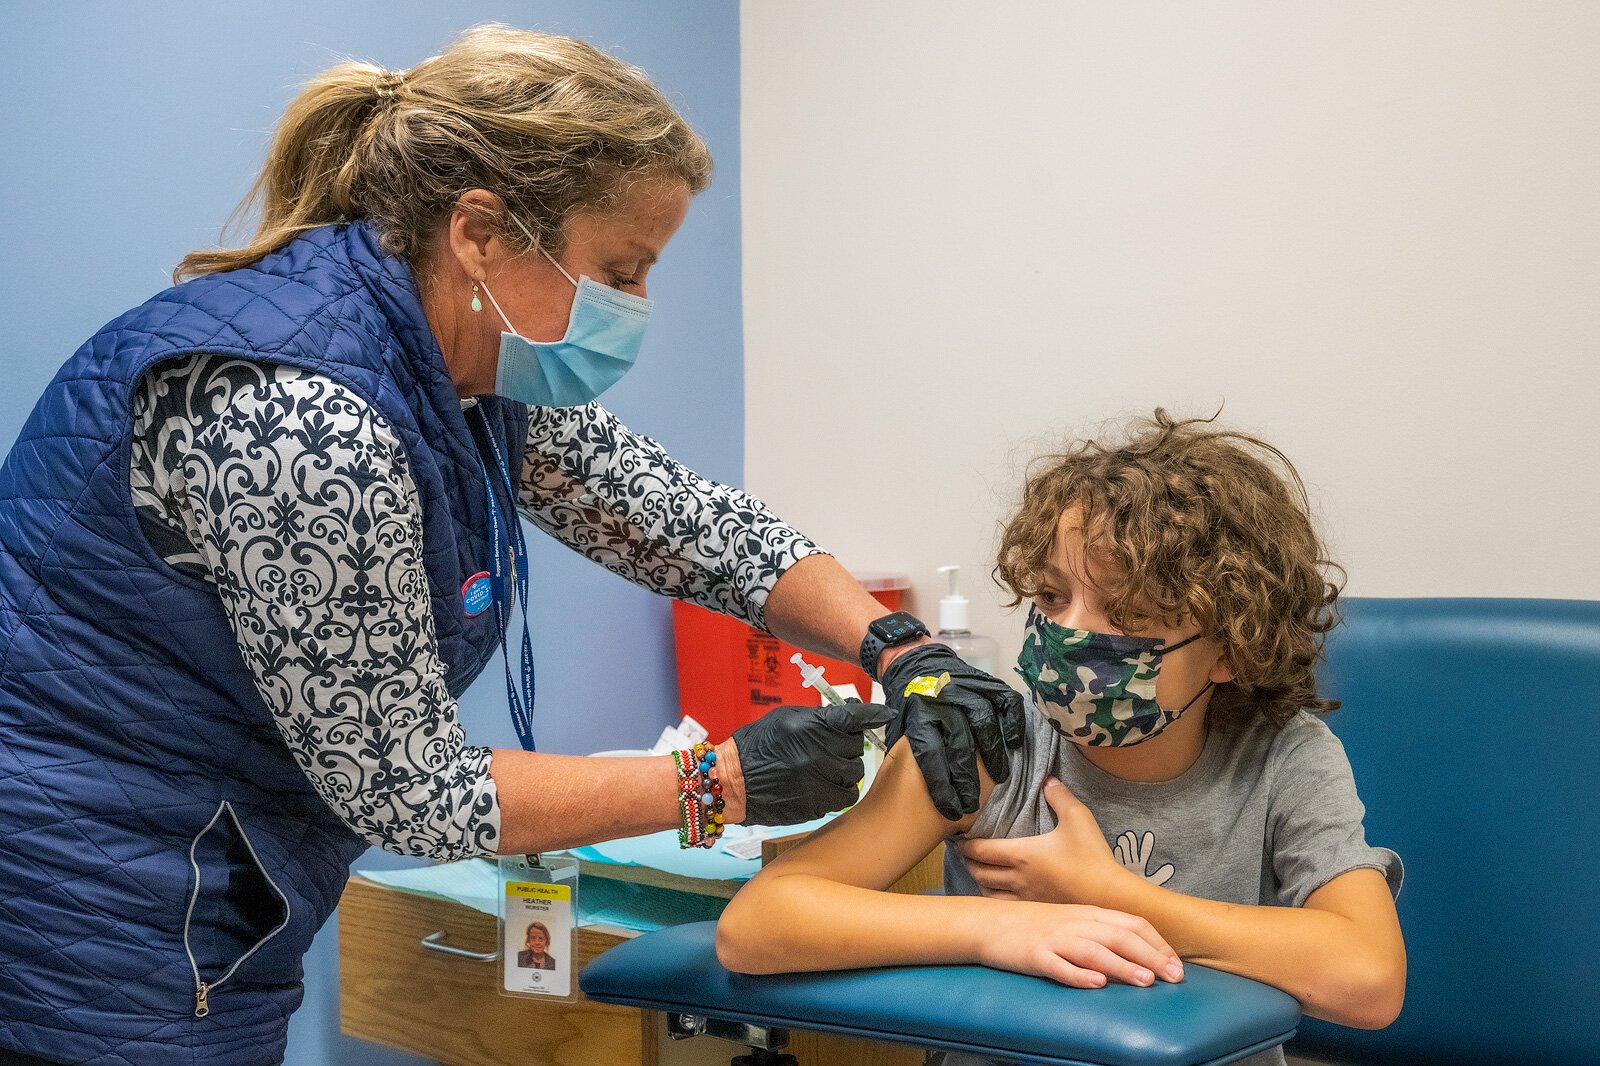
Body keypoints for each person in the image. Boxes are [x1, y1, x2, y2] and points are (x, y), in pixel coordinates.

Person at [0, 25, 1022, 1066]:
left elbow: (685, 523)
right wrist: (722, 786)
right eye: (619, 270)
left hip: (199, 890)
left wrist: (900, 647)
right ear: (480, 232)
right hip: (88, 909)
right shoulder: (309, 422)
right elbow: (414, 791)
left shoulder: (461, 365)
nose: (635, 308)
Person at [716, 411, 1406, 1066]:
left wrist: (1110, 892)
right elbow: (758, 925)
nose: (1069, 634)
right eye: (1051, 598)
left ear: (1230, 648)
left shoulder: (1285, 755)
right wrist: (1001, 930)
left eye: (1128, 610)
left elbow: (1368, 980)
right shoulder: (987, 741)